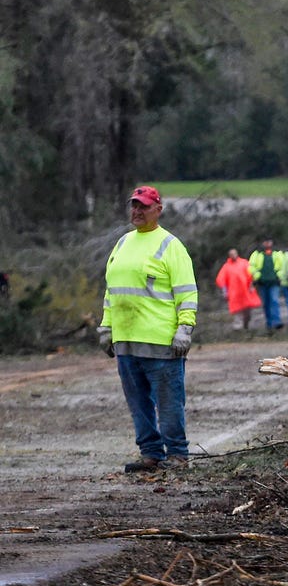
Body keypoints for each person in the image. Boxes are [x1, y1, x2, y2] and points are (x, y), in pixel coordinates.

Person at [97, 185, 197, 473]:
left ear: (158, 209)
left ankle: (177, 454)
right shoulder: (123, 243)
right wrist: (106, 328)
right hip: (127, 342)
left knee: (169, 403)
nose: (137, 211)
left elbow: (187, 292)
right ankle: (150, 453)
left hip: (162, 343)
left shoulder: (170, 245)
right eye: (134, 206)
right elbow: (112, 291)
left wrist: (184, 328)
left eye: (143, 206)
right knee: (138, 403)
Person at [215, 248, 260, 330]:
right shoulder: (226, 266)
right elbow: (220, 279)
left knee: (248, 311)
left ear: (237, 254)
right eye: (231, 254)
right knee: (237, 312)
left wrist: (252, 284)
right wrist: (224, 290)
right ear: (229, 256)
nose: (233, 255)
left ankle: (248, 328)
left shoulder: (244, 263)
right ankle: (238, 330)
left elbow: (251, 274)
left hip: (246, 292)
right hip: (234, 293)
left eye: (234, 253)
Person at [249, 238, 284, 330]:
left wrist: (279, 276)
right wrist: (257, 277)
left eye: (269, 241)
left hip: (274, 282)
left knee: (274, 301)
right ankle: (269, 324)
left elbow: (282, 266)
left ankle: (277, 322)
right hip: (262, 283)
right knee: (266, 304)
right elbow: (251, 267)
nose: (267, 243)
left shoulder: (277, 253)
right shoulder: (256, 254)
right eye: (265, 241)